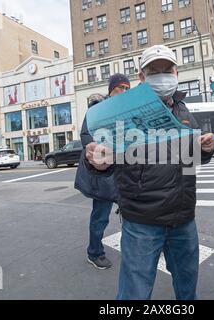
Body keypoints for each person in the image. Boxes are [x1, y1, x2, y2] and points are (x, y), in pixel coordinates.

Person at [85, 45, 214, 300]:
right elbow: (104, 157)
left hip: (184, 218)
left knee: (187, 287)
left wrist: (206, 149)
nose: (162, 76)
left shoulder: (183, 111)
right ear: (142, 77)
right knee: (135, 292)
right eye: (154, 71)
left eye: (167, 70)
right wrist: (97, 162)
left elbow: (193, 158)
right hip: (141, 221)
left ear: (176, 73)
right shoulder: (122, 112)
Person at [75, 74, 131, 270]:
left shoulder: (128, 110)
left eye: (126, 89)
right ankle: (94, 252)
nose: (123, 92)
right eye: (120, 88)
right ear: (111, 89)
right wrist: (94, 147)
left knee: (131, 213)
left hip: (124, 170)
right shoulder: (97, 108)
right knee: (100, 216)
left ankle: (132, 250)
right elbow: (85, 133)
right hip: (103, 172)